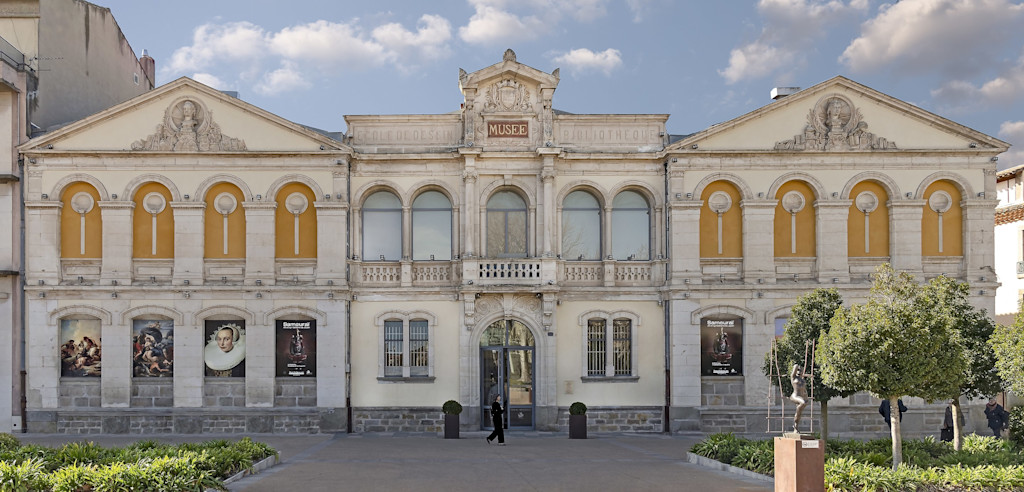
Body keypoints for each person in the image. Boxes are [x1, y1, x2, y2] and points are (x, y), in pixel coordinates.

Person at [789, 364, 809, 432]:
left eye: (800, 370)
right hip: (795, 396)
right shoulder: (793, 377)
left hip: (801, 396)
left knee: (799, 413)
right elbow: (795, 367)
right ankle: (798, 409)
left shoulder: (802, 379)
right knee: (803, 403)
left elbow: (804, 390)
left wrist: (806, 396)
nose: (799, 371)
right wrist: (797, 366)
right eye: (798, 370)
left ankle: (796, 426)